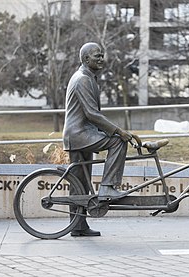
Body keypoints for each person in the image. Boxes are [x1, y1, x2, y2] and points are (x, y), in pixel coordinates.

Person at [63, 42, 132, 237]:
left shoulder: (88, 77)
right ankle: (108, 187)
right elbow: (92, 113)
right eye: (96, 56)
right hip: (79, 134)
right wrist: (118, 131)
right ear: (85, 59)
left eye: (102, 55)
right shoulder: (83, 79)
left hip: (82, 133)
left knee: (80, 182)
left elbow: (92, 115)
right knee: (118, 141)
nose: (101, 59)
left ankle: (78, 226)